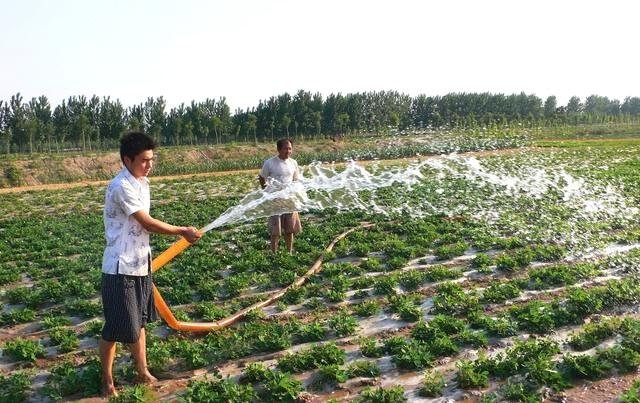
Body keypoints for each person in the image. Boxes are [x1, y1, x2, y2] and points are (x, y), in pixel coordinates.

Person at [99, 131, 201, 398]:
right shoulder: (121, 186)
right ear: (127, 160)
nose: (149, 165)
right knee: (115, 328)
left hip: (141, 263)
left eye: (152, 159)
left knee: (140, 323)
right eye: (144, 160)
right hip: (120, 268)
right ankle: (107, 380)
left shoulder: (142, 183)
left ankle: (142, 371)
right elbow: (146, 222)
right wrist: (181, 230)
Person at [258, 138, 302, 253]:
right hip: (275, 201)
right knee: (275, 231)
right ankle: (274, 253)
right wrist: (266, 190)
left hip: (289, 200)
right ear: (278, 149)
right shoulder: (270, 163)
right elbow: (262, 177)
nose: (288, 151)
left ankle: (289, 252)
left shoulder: (293, 163)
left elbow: (296, 180)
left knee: (290, 229)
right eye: (285, 149)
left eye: (290, 148)